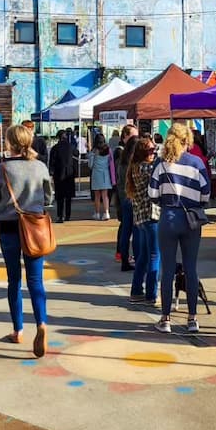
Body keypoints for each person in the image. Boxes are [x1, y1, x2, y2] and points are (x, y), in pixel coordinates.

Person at [0, 123, 53, 356]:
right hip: (34, 227)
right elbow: (48, 197)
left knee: (14, 280)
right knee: (36, 280)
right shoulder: (40, 166)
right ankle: (42, 323)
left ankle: (18, 330)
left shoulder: (2, 168)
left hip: (9, 226)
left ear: (10, 143)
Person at [148, 121, 211, 334]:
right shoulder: (197, 163)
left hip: (168, 217)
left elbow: (152, 194)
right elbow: (206, 194)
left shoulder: (161, 163)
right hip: (191, 218)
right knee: (191, 268)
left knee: (167, 269)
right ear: (188, 141)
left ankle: (165, 318)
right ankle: (192, 318)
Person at [126, 137, 160, 307]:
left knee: (144, 256)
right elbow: (159, 167)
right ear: (143, 153)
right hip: (150, 216)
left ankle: (136, 291)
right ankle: (151, 294)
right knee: (155, 255)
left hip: (141, 218)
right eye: (151, 150)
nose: (154, 153)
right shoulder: (146, 168)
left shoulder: (135, 166)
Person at [114, 126, 138, 271]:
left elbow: (119, 181)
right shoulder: (135, 163)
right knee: (136, 231)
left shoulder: (121, 162)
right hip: (134, 199)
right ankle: (136, 257)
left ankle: (124, 258)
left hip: (124, 198)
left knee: (125, 230)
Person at [49, 130, 77, 223]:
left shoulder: (55, 148)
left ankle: (60, 216)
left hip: (59, 174)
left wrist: (51, 172)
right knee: (68, 197)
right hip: (69, 173)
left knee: (60, 197)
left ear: (58, 137)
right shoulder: (71, 147)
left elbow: (52, 162)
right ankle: (68, 216)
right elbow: (77, 154)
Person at [88, 134, 114, 220]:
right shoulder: (108, 150)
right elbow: (111, 163)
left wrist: (91, 155)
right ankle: (106, 213)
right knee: (105, 195)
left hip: (96, 174)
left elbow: (90, 165)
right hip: (105, 174)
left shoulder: (94, 151)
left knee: (97, 196)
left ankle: (97, 213)